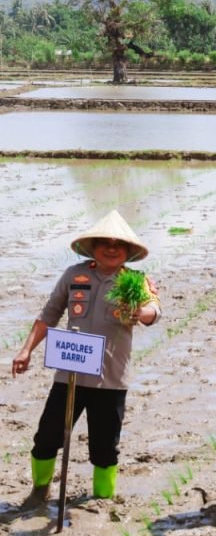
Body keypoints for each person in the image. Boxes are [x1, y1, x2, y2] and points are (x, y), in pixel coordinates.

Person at [11, 210, 161, 504]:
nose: (111, 248)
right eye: (104, 242)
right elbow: (49, 314)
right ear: (92, 247)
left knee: (105, 449)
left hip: (110, 381)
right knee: (45, 440)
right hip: (69, 376)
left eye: (119, 244)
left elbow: (154, 311)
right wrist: (26, 349)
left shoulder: (135, 281)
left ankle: (102, 500)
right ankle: (40, 490)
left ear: (129, 251)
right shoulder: (73, 275)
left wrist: (140, 312)